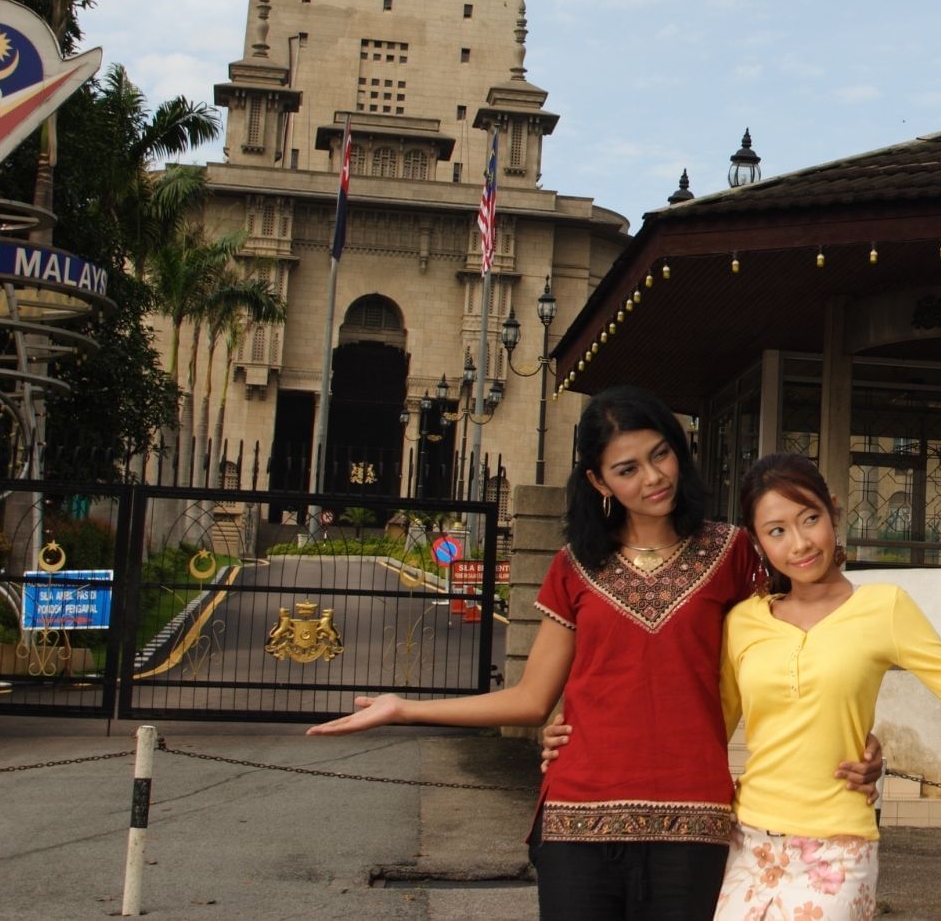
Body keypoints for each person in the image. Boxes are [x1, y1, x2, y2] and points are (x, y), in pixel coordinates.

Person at [309, 386, 879, 920]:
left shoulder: (732, 551)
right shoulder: (574, 566)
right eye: (627, 469)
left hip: (695, 820)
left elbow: (811, 642)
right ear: (599, 481)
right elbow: (533, 699)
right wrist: (405, 709)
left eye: (661, 455)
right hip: (577, 821)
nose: (654, 478)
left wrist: (861, 740)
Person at [553, 452, 941, 920]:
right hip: (749, 844)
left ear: (835, 513)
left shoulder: (885, 609)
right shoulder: (745, 621)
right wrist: (580, 739)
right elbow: (705, 723)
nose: (800, 543)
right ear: (758, 544)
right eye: (777, 531)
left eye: (809, 519)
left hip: (837, 848)